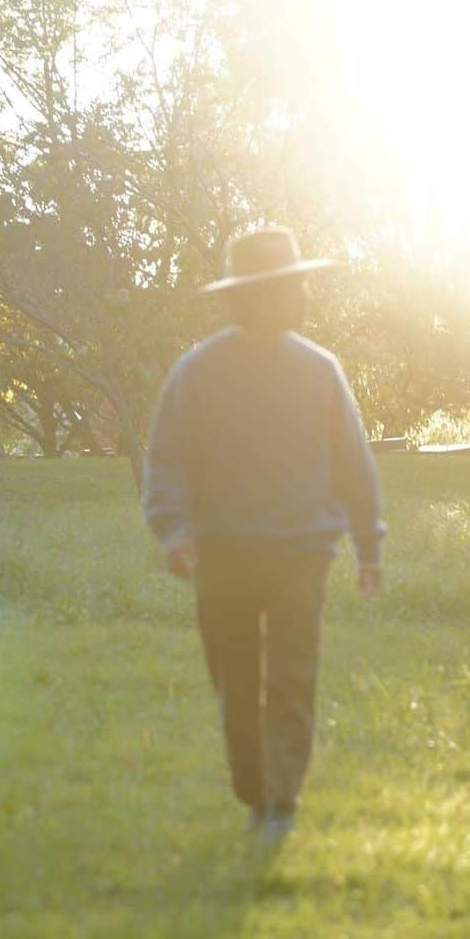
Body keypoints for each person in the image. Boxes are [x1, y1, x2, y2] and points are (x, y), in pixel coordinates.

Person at [142, 226, 387, 845]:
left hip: (303, 551)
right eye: (285, 286)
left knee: (291, 676)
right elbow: (166, 457)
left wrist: (368, 546)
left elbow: (353, 463)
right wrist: (173, 530)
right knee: (235, 680)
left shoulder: (319, 371)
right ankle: (255, 792)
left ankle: (281, 802)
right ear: (249, 297)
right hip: (223, 551)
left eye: (297, 283)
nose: (297, 294)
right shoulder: (199, 372)